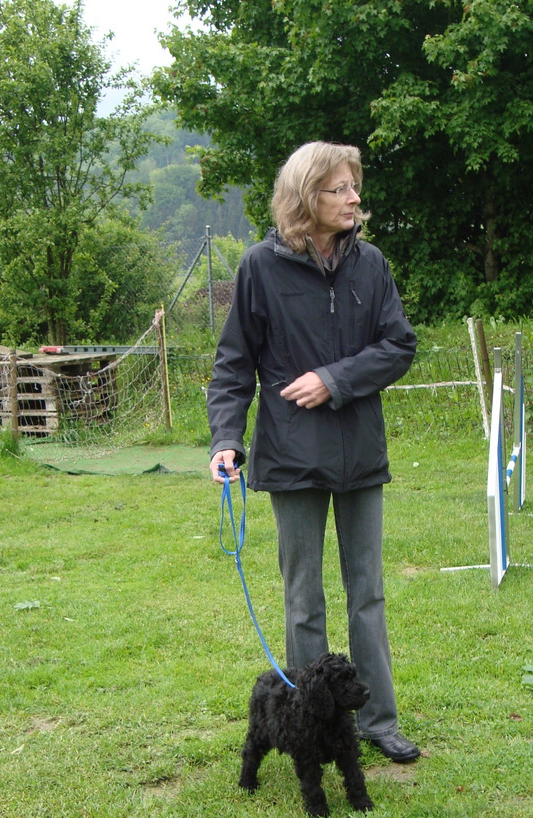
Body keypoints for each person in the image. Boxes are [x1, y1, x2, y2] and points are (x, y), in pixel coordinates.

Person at [208, 140, 420, 763]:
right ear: (306, 197)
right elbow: (233, 366)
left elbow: (398, 346)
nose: (354, 198)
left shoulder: (371, 264)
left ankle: (378, 721)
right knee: (304, 600)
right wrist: (226, 439)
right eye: (340, 188)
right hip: (291, 458)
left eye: (355, 186)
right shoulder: (259, 267)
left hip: (361, 456)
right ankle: (312, 724)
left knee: (367, 594)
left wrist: (334, 379)